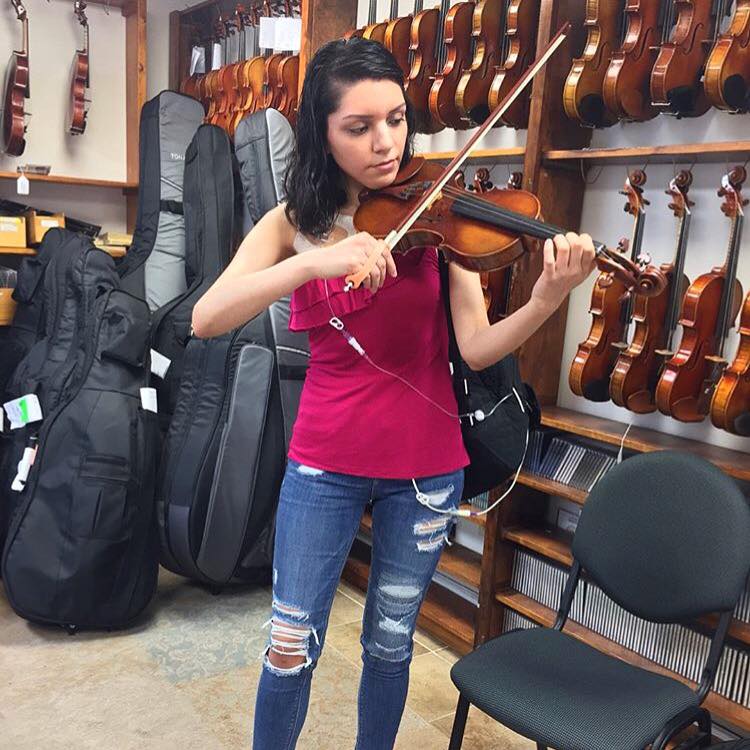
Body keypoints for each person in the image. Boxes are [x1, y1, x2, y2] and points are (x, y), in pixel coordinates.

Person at [191, 36, 596, 750]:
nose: (386, 143)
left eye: (397, 119)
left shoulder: (439, 220)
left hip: (426, 470)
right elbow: (206, 318)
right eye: (359, 127)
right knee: (290, 646)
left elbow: (474, 348)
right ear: (322, 131)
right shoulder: (292, 224)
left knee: (389, 644)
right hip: (324, 467)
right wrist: (315, 261)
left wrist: (543, 301)